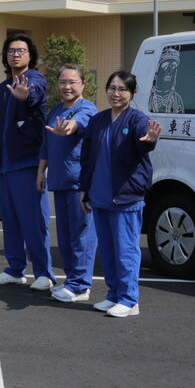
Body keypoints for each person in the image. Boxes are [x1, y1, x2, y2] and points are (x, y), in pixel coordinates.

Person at [80, 70, 161, 318]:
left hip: (125, 197)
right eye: (112, 88)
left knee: (126, 250)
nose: (116, 93)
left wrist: (149, 140)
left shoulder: (137, 119)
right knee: (108, 250)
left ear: (132, 93)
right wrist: (85, 190)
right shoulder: (98, 120)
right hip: (100, 196)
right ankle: (114, 294)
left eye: (122, 89)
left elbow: (143, 141)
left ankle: (129, 300)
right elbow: (87, 157)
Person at [0, 34, 56, 290]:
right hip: (5, 164)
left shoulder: (34, 79)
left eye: (21, 50)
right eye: (11, 50)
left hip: (27, 163)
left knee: (33, 220)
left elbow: (34, 93)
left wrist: (25, 96)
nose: (15, 54)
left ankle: (44, 273)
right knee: (11, 221)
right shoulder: (2, 89)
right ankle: (15, 269)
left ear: (30, 55)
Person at [36, 64, 97, 302]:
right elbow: (46, 145)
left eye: (72, 82)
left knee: (82, 235)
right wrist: (41, 172)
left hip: (78, 183)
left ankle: (81, 285)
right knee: (65, 236)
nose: (67, 86)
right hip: (59, 181)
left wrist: (68, 128)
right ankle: (72, 280)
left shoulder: (86, 108)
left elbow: (78, 123)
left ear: (83, 84)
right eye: (63, 82)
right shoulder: (55, 110)